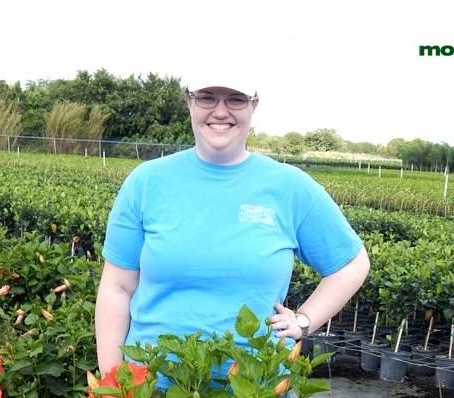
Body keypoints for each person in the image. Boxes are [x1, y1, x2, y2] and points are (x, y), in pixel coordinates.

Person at [95, 74, 370, 378]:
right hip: (150, 388)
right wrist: (112, 384)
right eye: (207, 97)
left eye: (235, 99)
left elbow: (352, 263)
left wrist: (304, 321)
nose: (221, 111)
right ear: (189, 101)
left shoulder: (290, 187)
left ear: (254, 104)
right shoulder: (145, 182)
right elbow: (117, 288)